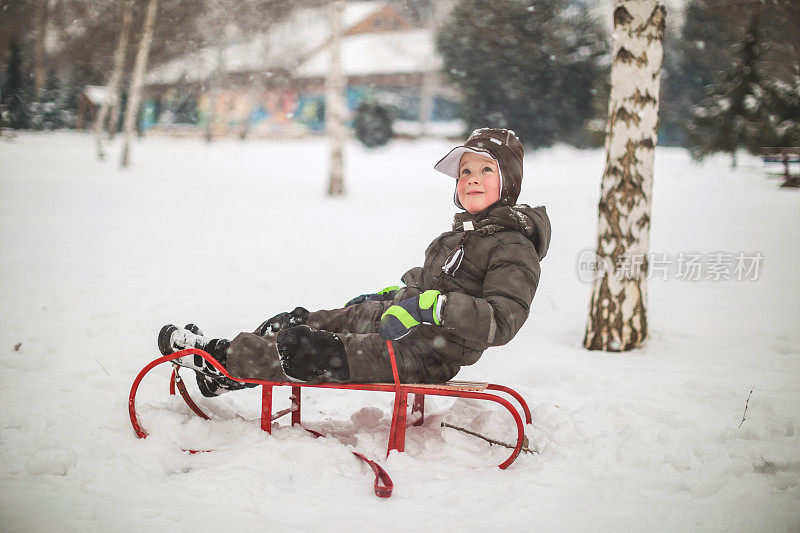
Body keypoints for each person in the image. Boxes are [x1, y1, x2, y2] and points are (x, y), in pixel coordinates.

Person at [158, 128, 551, 397]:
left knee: (306, 348)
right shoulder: (454, 238)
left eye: (486, 170)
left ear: (509, 181)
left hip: (426, 355)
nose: (471, 179)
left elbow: (502, 321)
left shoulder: (514, 247)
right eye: (465, 171)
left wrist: (432, 306)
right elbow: (427, 285)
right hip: (401, 323)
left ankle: (221, 362)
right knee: (303, 320)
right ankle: (227, 365)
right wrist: (395, 294)